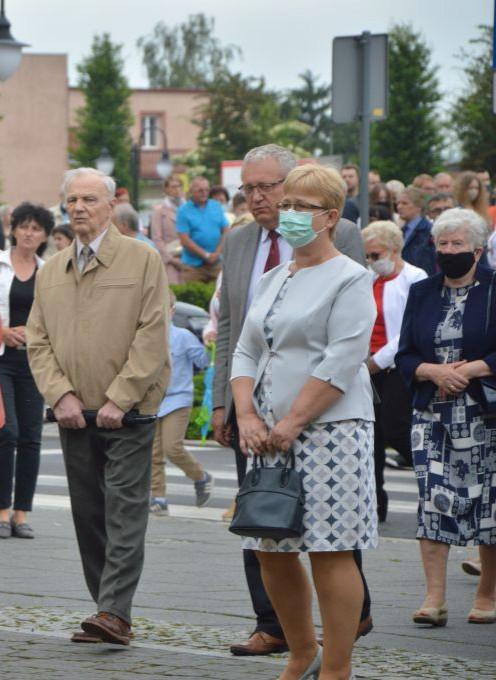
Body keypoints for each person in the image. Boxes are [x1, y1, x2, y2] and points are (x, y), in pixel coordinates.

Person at [211, 144, 372, 657]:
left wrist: (294, 421)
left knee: (329, 550)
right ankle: (301, 653)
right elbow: (243, 347)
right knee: (269, 549)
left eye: (302, 207)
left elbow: (341, 360)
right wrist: (246, 413)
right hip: (267, 432)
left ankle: (337, 666)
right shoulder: (272, 277)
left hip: (331, 431)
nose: (290, 215)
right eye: (289, 206)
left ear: (330, 217)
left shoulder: (350, 276)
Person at [27, 167, 171, 646]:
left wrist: (120, 397)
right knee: (88, 515)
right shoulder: (52, 270)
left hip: (127, 413)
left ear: (112, 205)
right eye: (72, 201)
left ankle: (114, 611)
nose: (79, 208)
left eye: (90, 199)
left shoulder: (141, 260)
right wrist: (60, 395)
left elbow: (153, 335)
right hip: (74, 414)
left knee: (125, 512)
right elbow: (38, 341)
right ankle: (105, 608)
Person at [395, 208, 496, 627]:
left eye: (457, 244)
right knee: (432, 499)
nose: (449, 251)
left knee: (489, 503)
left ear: (477, 249)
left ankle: (487, 593)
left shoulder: (493, 289)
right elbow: (404, 354)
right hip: (432, 413)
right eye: (443, 243)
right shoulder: (422, 291)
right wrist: (432, 371)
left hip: (484, 412)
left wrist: (470, 369)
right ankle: (434, 598)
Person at [0, 202, 51, 540]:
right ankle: (2, 510)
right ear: (14, 229)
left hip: (35, 359)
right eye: (24, 226)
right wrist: (2, 329)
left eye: (36, 228)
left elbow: (57, 318)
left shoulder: (48, 271)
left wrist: (34, 334)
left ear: (45, 235)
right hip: (0, 358)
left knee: (31, 436)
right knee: (6, 430)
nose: (29, 233)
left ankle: (23, 512)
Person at [361, 221, 427, 521]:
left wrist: (380, 360)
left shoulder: (415, 278)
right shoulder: (368, 279)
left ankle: (433, 481)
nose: (373, 262)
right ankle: (374, 503)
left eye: (376, 255)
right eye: (369, 257)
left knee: (395, 428)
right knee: (370, 438)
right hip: (368, 366)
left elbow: (409, 328)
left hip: (397, 366)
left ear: (395, 248)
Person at [149, 291, 213, 517]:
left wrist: (210, 345)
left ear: (172, 311)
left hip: (178, 399)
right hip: (153, 401)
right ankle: (158, 497)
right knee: (153, 453)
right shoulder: (146, 336)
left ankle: (200, 476)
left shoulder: (183, 336)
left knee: (172, 447)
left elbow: (203, 361)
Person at [177, 176, 230, 283]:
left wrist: (217, 253)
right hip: (193, 266)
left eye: (206, 190)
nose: (204, 193)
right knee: (193, 297)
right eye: (200, 190)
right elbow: (184, 240)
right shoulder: (183, 210)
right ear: (191, 192)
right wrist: (206, 255)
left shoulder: (216, 206)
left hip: (216, 262)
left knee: (219, 296)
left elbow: (226, 230)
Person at [151, 175, 184, 283]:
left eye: (179, 186)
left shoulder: (188, 207)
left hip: (189, 256)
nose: (176, 189)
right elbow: (157, 238)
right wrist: (171, 259)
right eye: (173, 187)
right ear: (166, 189)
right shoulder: (159, 211)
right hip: (170, 257)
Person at [396, 187, 437, 274]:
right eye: (398, 203)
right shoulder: (400, 231)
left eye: (405, 203)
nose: (399, 207)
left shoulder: (430, 231)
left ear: (419, 206)